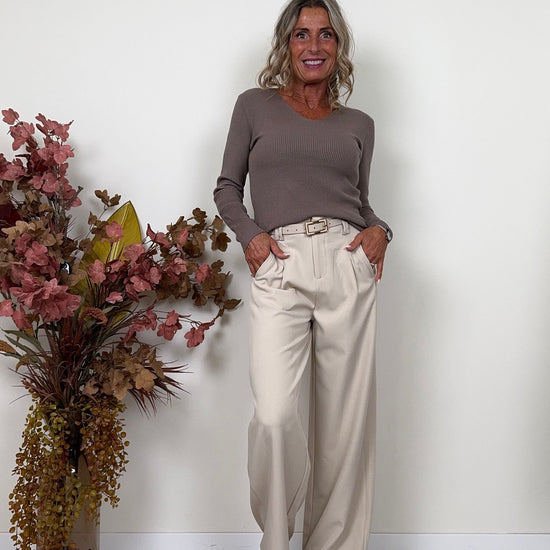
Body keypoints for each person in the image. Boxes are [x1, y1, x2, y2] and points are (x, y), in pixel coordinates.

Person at [214, 1, 392, 548]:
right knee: (274, 414)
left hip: (347, 263)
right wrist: (252, 237)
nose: (313, 46)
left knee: (343, 428)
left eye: (326, 35)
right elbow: (227, 188)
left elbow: (359, 202)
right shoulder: (255, 106)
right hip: (281, 262)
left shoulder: (359, 125)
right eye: (301, 35)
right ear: (285, 45)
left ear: (339, 46)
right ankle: (276, 538)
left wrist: (382, 231)